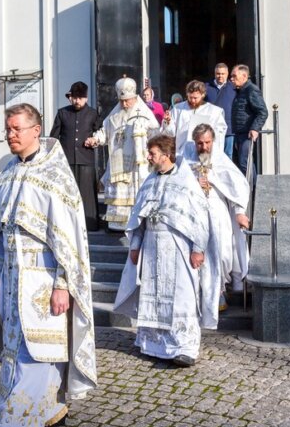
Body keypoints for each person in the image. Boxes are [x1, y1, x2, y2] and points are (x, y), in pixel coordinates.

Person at [0, 103, 97, 427]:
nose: (10, 134)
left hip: (43, 279)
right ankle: (48, 406)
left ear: (36, 130)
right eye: (7, 128)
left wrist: (63, 284)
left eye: (16, 128)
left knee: (36, 349)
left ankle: (12, 425)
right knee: (20, 348)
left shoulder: (54, 176)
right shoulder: (9, 174)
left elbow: (69, 238)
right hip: (13, 279)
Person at [113, 134, 219, 366]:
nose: (148, 157)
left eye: (152, 153)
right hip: (151, 245)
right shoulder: (149, 181)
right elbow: (140, 216)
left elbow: (200, 217)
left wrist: (198, 248)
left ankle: (184, 347)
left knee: (181, 296)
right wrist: (135, 245)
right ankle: (153, 344)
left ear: (166, 154)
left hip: (178, 247)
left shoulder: (186, 181)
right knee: (153, 294)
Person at [180, 124, 251, 305]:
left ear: (213, 141)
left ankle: (218, 292)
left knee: (222, 251)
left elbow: (237, 186)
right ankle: (197, 296)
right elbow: (176, 183)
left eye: (207, 143)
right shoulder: (185, 159)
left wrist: (239, 212)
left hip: (217, 212)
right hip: (193, 213)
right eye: (200, 144)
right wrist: (193, 182)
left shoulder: (220, 160)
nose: (204, 147)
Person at [84, 77, 160, 231]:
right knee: (119, 192)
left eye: (128, 101)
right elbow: (105, 131)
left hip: (136, 164)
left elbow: (155, 133)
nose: (125, 104)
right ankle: (118, 225)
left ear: (134, 97)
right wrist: (95, 139)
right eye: (122, 101)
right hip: (117, 162)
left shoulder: (143, 113)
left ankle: (136, 223)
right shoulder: (115, 115)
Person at [49, 82, 103, 231]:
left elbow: (100, 134)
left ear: (85, 98)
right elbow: (54, 137)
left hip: (86, 160)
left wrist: (94, 141)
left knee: (87, 194)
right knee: (67, 193)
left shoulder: (93, 113)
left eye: (80, 98)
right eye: (74, 98)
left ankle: (89, 224)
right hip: (65, 161)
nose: (77, 101)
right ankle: (66, 224)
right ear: (70, 98)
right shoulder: (62, 113)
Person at [162, 79, 228, 157]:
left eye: (196, 98)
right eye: (190, 97)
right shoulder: (178, 109)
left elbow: (220, 132)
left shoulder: (214, 111)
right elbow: (170, 133)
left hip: (204, 151)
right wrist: (168, 123)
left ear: (203, 95)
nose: (193, 101)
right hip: (183, 152)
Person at [230, 64, 269, 185]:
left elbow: (262, 112)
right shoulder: (240, 91)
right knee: (244, 164)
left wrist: (255, 128)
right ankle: (250, 192)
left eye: (234, 76)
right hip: (240, 133)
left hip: (247, 134)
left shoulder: (251, 89)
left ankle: (251, 193)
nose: (231, 78)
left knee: (244, 163)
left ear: (244, 76)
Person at [204, 62, 237, 158]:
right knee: (211, 155)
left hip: (229, 128)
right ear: (214, 74)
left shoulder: (234, 88)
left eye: (223, 74)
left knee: (228, 155)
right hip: (211, 127)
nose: (220, 76)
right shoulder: (206, 87)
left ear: (227, 74)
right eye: (218, 74)